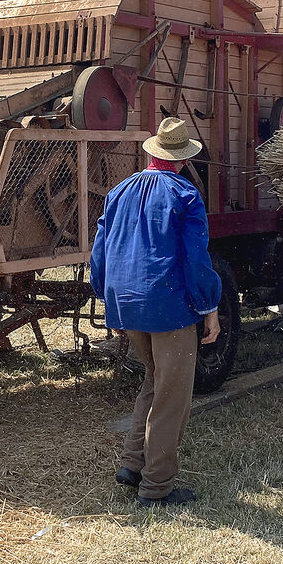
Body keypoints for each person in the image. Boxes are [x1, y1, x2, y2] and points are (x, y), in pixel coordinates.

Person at [90, 117, 222, 507]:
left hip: (126, 303)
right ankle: (156, 487)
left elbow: (100, 254)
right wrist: (209, 307)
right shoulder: (185, 195)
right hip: (168, 306)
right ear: (181, 160)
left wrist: (108, 299)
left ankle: (132, 464)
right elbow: (196, 259)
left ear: (152, 153)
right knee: (172, 397)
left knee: (154, 380)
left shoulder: (119, 191)